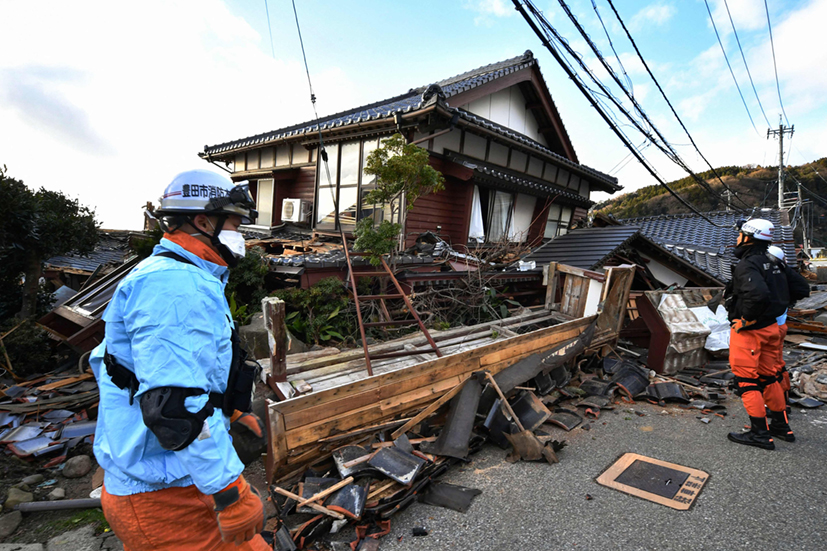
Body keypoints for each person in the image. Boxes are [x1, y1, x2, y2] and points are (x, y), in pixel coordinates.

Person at [89, 170, 270, 550]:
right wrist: (230, 492)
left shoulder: (184, 276)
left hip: (179, 479)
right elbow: (176, 406)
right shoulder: (174, 287)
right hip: (162, 499)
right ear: (203, 222)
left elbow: (182, 371)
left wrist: (230, 412)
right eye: (235, 224)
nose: (241, 236)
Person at [725, 219, 789, 450]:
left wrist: (747, 319)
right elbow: (799, 287)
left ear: (748, 237)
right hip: (772, 327)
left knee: (746, 380)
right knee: (769, 377)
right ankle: (782, 426)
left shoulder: (747, 264)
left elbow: (758, 294)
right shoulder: (774, 261)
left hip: (751, 332)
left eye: (740, 235)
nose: (737, 239)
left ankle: (760, 434)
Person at [765, 245, 810, 440]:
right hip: (781, 326)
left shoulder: (773, 275)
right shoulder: (786, 273)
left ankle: (777, 412)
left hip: (770, 327)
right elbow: (802, 289)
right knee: (778, 365)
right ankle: (785, 402)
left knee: (768, 371)